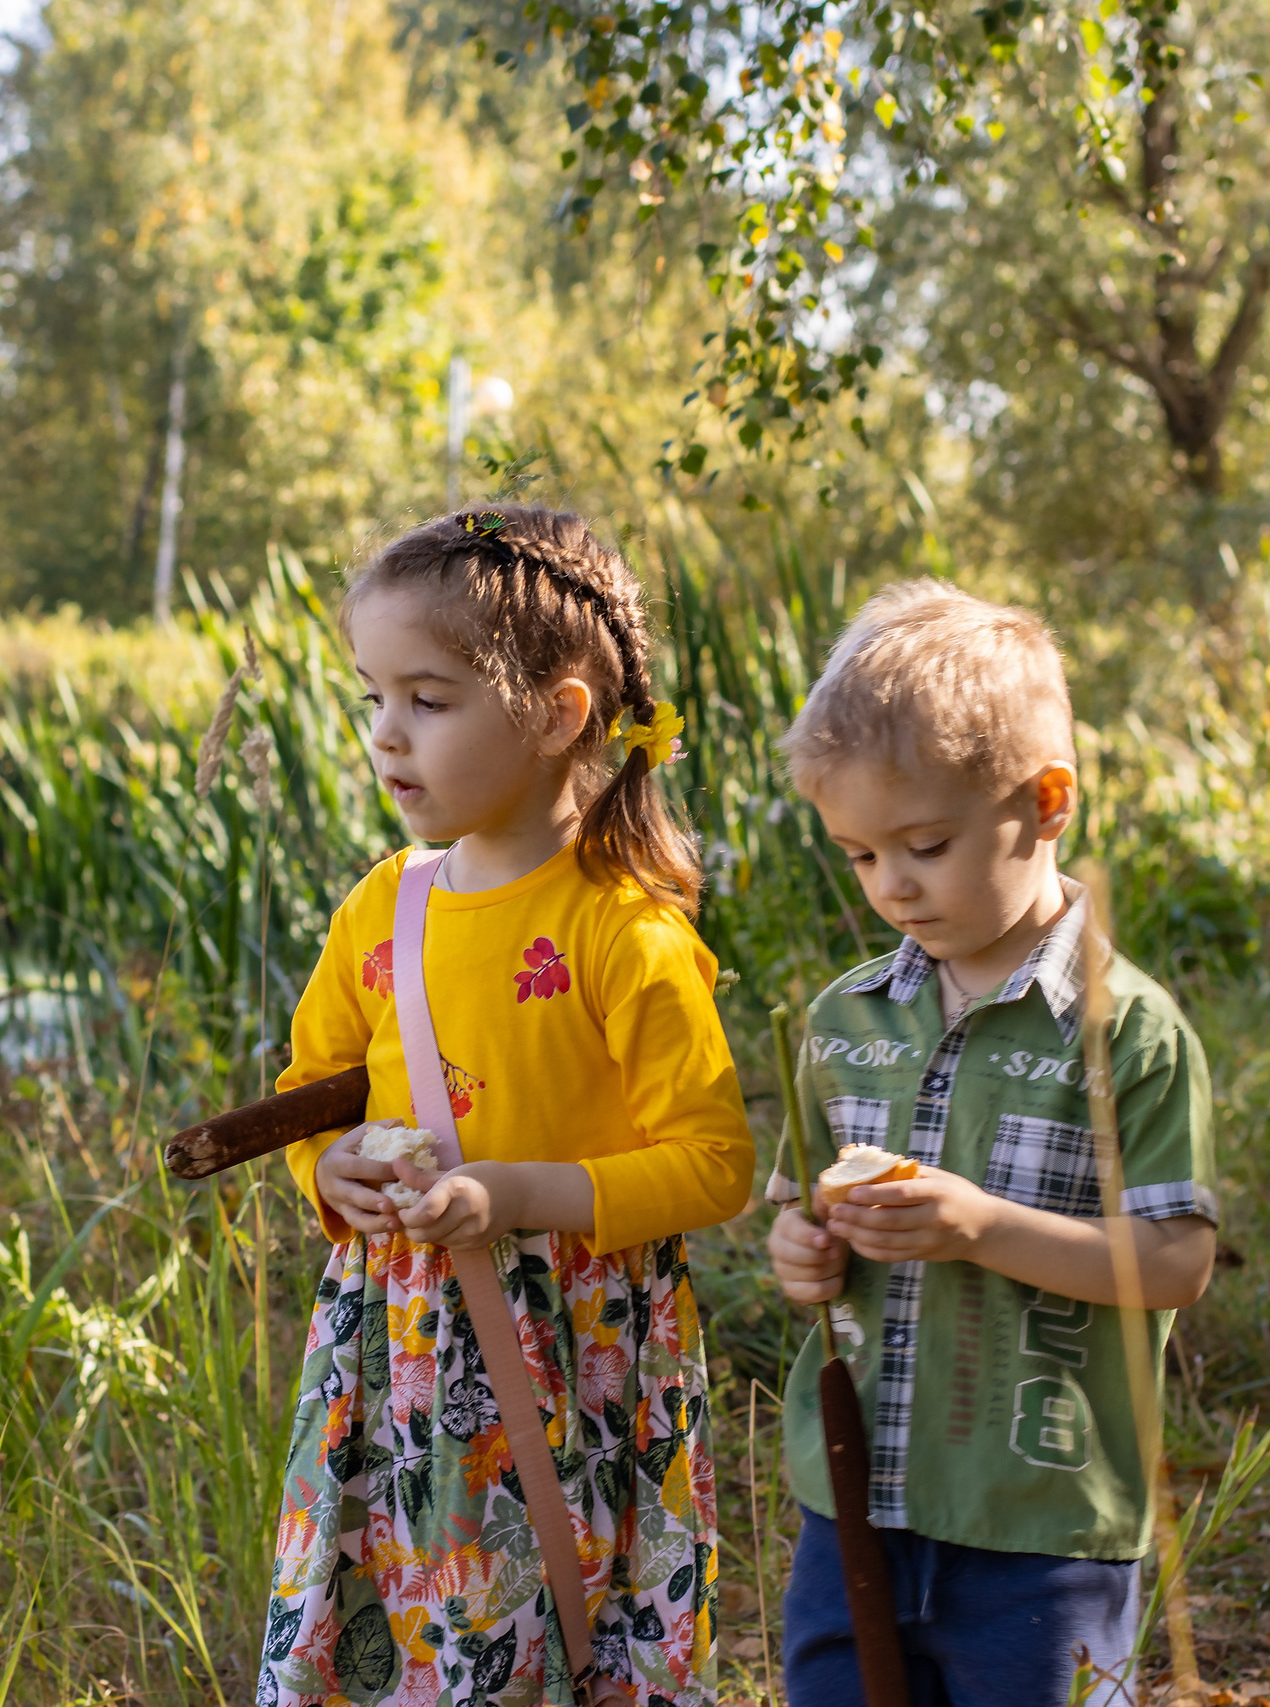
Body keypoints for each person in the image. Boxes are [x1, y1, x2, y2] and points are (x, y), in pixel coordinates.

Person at [258, 506, 753, 1706]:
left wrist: (519, 1195)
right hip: (399, 1347)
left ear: (557, 715)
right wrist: (329, 1170)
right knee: (404, 1634)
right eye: (374, 698)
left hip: (575, 1357)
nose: (386, 734)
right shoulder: (384, 908)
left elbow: (712, 1163)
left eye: (428, 700)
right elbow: (306, 1096)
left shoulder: (621, 931)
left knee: (560, 1632)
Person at [765, 581, 1221, 1706]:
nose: (892, 885)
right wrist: (802, 1253)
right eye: (858, 855)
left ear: (1046, 802)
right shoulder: (844, 1021)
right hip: (854, 1495)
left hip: (1040, 1520)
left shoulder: (1129, 1033)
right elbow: (796, 1217)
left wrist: (980, 1227)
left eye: (925, 844)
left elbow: (1175, 1262)